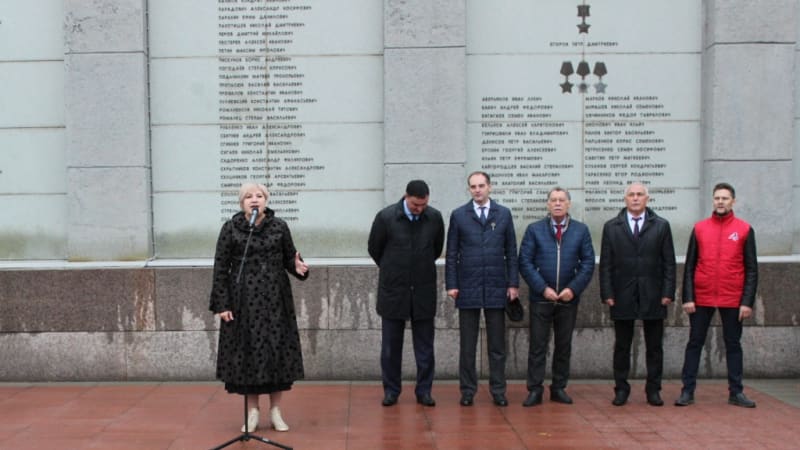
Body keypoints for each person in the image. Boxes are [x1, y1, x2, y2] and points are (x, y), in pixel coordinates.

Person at [209, 182, 309, 433]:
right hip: (243, 300)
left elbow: (290, 258)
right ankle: (252, 411)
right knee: (248, 354)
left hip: (276, 299)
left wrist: (298, 267)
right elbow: (220, 268)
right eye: (249, 197)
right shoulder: (230, 228)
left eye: (260, 196)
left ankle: (275, 411)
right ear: (241, 202)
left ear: (266, 200)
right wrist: (222, 303)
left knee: (277, 351)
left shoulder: (279, 226)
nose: (255, 200)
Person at [675, 182, 759, 408]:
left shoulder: (744, 229)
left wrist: (747, 302)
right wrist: (688, 297)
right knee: (695, 343)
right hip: (702, 297)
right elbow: (690, 265)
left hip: (732, 298)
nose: (720, 202)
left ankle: (736, 392)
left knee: (733, 344)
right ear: (713, 201)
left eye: (725, 198)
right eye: (717, 198)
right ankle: (687, 391)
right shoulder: (700, 228)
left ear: (733, 201)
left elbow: (752, 269)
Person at [368, 180, 445, 407]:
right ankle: (391, 391)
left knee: (425, 348)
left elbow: (436, 248)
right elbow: (375, 249)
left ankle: (424, 391)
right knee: (390, 348)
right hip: (394, 291)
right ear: (406, 197)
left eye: (423, 205)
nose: (419, 209)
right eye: (415, 205)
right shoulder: (386, 217)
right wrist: (394, 269)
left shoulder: (434, 218)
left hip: (423, 291)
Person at [445, 171, 519, 407]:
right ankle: (468, 391)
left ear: (490, 187)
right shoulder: (459, 215)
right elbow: (451, 253)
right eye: (473, 186)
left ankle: (498, 391)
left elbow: (511, 252)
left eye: (481, 186)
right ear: (469, 189)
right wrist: (452, 284)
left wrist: (513, 283)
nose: (477, 190)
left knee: (497, 345)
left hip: (497, 285)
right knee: (468, 345)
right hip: (468, 286)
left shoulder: (503, 214)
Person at [599, 182, 676, 407]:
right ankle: (621, 389)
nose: (635, 198)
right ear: (625, 199)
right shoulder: (611, 227)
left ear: (647, 199)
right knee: (622, 346)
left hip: (653, 293)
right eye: (631, 195)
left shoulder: (661, 226)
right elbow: (606, 264)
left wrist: (668, 292)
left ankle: (653, 390)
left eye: (640, 194)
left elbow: (669, 263)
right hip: (622, 293)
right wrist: (607, 292)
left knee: (654, 347)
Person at [518, 187, 595, 407]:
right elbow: (525, 261)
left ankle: (559, 387)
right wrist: (542, 288)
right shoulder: (534, 230)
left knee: (563, 345)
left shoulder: (581, 230)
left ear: (569, 204)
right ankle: (535, 389)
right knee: (537, 346)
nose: (558, 203)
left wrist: (573, 289)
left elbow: (588, 262)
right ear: (548, 204)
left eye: (562, 200)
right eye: (554, 200)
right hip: (541, 298)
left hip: (567, 299)